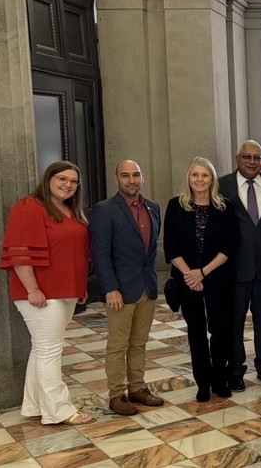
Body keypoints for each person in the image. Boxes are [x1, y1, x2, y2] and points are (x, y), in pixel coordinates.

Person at [0, 161, 95, 425]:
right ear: (48, 179)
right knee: (51, 350)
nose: (68, 185)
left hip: (66, 291)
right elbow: (19, 252)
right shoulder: (30, 207)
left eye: (74, 181)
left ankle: (34, 405)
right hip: (41, 294)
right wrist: (32, 289)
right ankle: (59, 410)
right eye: (62, 179)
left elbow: (74, 253)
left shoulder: (70, 210)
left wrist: (80, 288)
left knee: (42, 350)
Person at [90, 160, 164, 416]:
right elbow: (100, 254)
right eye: (125, 175)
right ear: (116, 179)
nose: (131, 180)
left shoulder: (153, 207)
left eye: (136, 175)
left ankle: (137, 388)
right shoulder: (105, 210)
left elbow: (151, 250)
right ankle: (115, 395)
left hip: (147, 288)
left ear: (142, 177)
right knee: (118, 345)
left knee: (139, 343)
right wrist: (110, 288)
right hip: (120, 291)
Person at [164, 157, 238, 402]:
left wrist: (203, 272)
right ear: (189, 178)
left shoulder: (224, 206)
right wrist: (190, 274)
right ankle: (203, 382)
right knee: (195, 331)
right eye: (195, 175)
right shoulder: (176, 205)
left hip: (217, 278)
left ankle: (220, 379)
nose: (199, 180)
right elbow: (170, 246)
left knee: (220, 330)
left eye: (204, 175)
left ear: (212, 179)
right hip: (187, 280)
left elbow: (230, 245)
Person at [219, 141, 261, 391]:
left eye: (257, 158)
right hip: (234, 267)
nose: (252, 162)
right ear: (237, 158)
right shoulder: (222, 185)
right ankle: (235, 370)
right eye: (247, 157)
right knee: (235, 321)